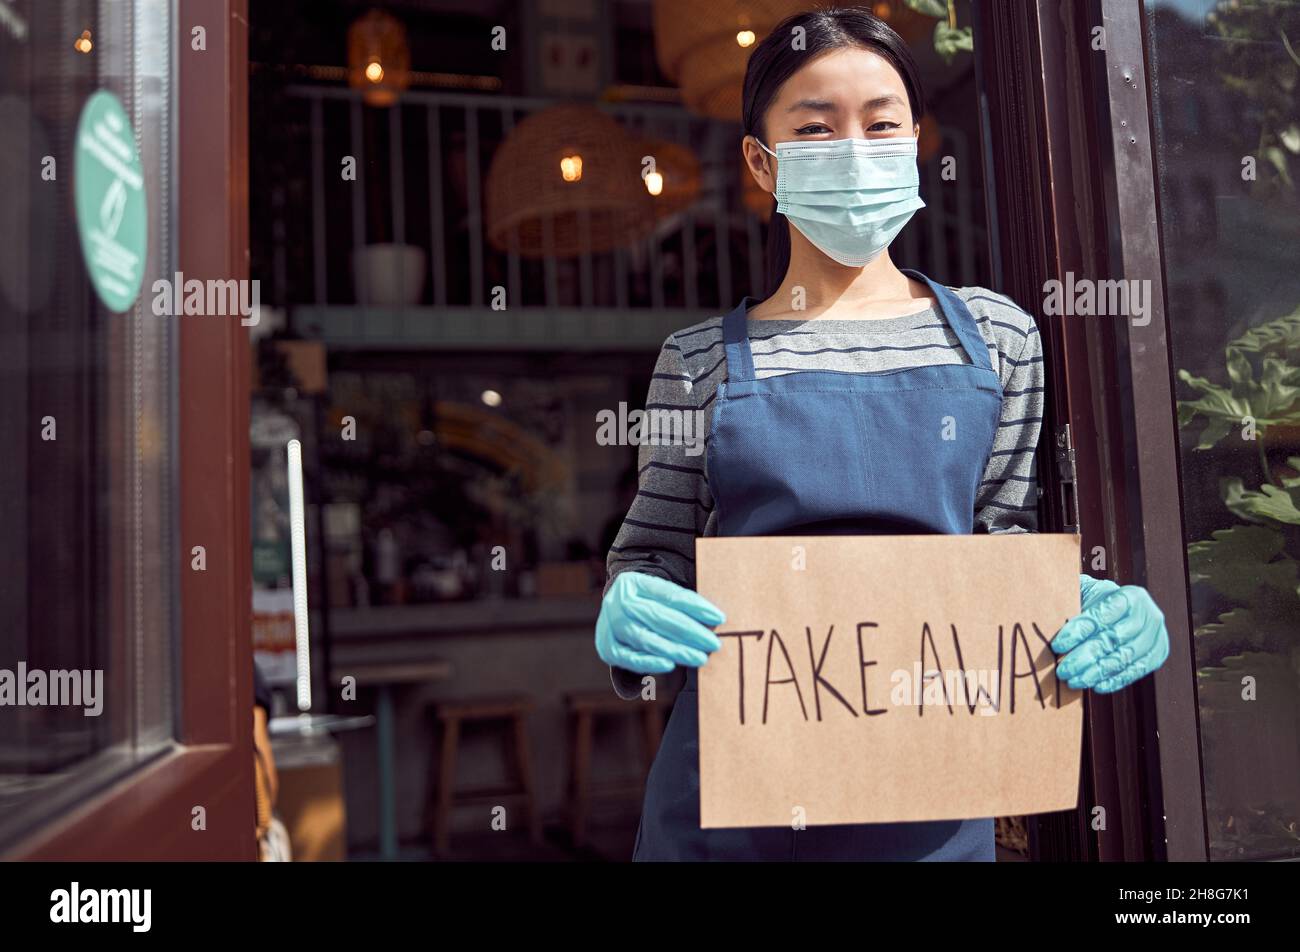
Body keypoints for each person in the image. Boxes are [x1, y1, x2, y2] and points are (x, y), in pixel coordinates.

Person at [594, 7, 1169, 861]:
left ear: (914, 140)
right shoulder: (697, 362)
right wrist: (625, 610)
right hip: (729, 815)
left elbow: (997, 549)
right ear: (763, 160)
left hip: (931, 804)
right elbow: (653, 559)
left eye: (882, 122)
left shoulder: (999, 338)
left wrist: (1089, 605)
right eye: (816, 127)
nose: (855, 148)